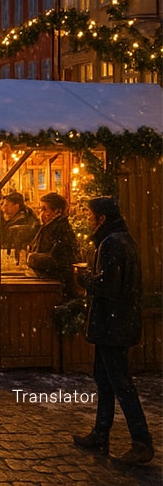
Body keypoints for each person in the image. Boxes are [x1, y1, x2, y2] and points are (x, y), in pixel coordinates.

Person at [72, 197, 154, 464]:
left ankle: (141, 442)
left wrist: (83, 277)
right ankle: (100, 431)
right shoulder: (122, 240)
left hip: (112, 324)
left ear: (102, 219)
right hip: (115, 323)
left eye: (90, 215)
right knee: (105, 379)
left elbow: (108, 286)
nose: (87, 219)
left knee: (119, 382)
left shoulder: (112, 244)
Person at [26, 192, 83, 297]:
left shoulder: (61, 230)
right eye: (40, 209)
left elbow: (58, 261)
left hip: (57, 288)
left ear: (57, 211)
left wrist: (33, 258)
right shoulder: (47, 228)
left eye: (44, 209)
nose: (41, 213)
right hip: (48, 284)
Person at [0, 191, 40, 264]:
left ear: (16, 206)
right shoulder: (14, 217)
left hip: (20, 256)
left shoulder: (22, 219)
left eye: (7, 205)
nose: (3, 207)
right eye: (3, 204)